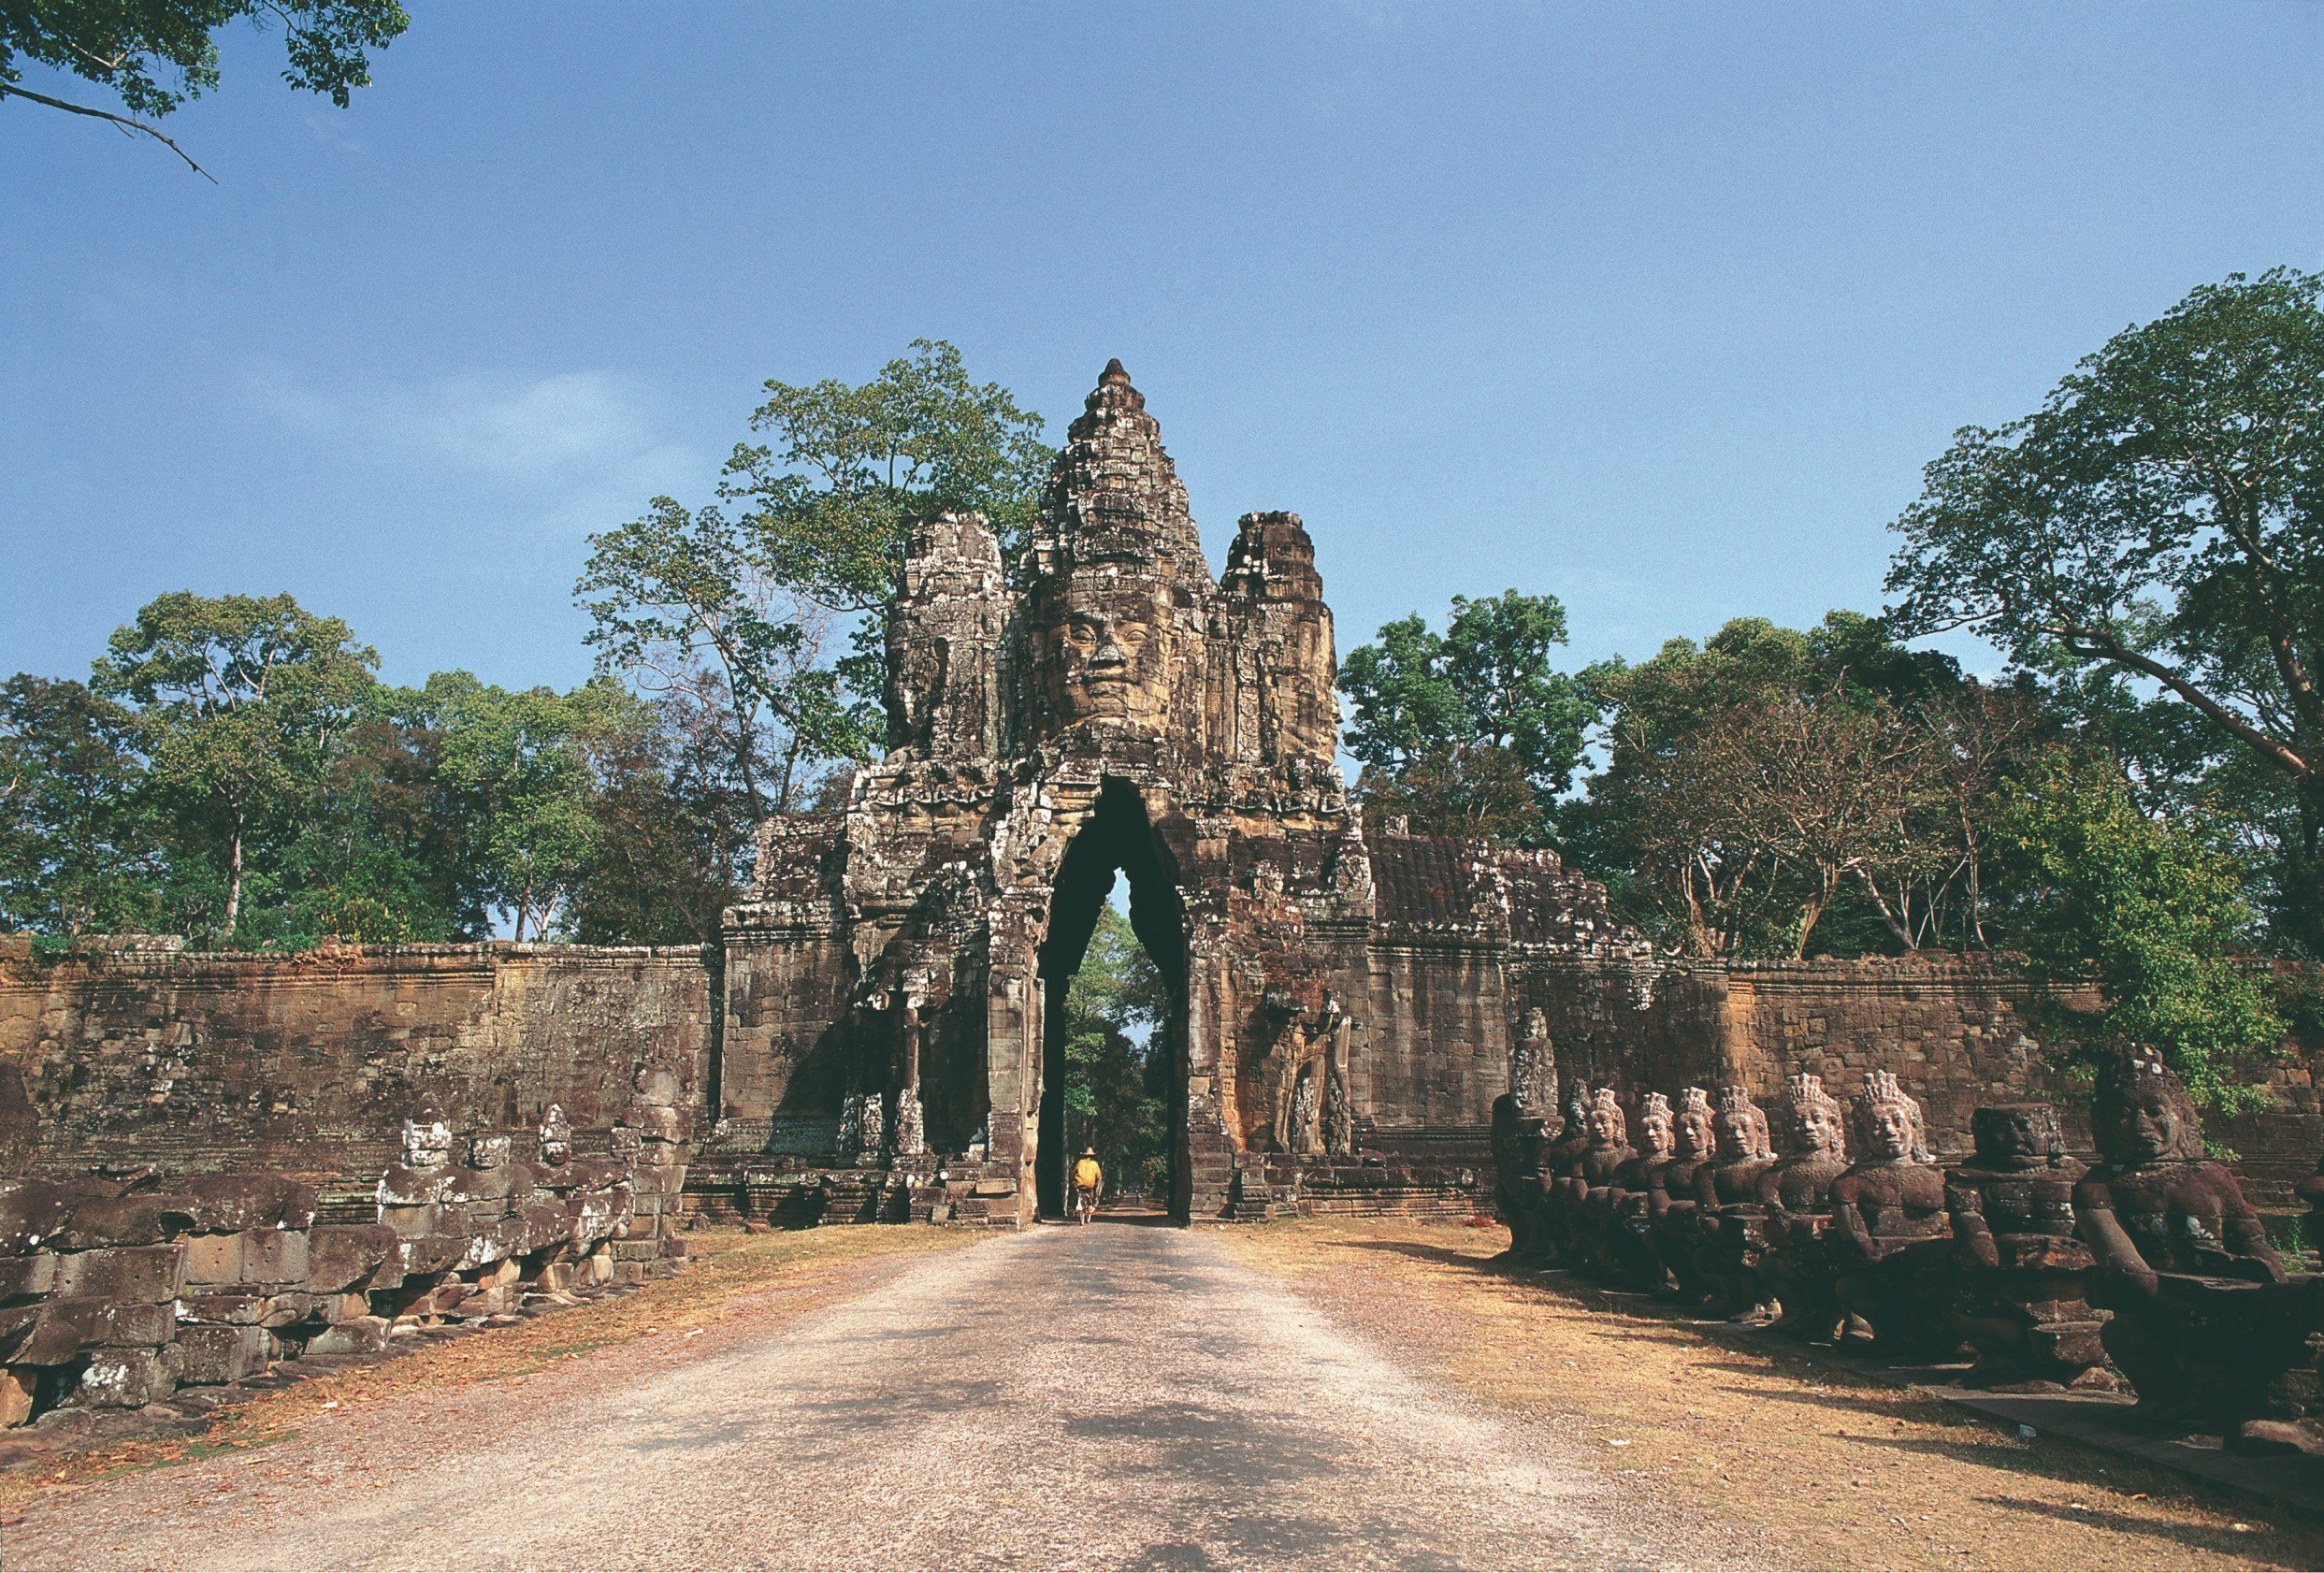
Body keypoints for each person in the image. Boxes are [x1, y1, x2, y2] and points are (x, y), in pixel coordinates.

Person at [1071, 1148, 1104, 1221]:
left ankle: (1076, 1205)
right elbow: (1099, 1176)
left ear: (1084, 1155)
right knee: (1091, 1194)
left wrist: (1072, 1178)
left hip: (1079, 1184)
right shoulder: (1095, 1164)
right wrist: (1096, 1181)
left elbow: (1073, 1173)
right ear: (1092, 1156)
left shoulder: (1080, 1162)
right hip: (1089, 1185)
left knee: (1075, 1192)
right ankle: (1090, 1206)